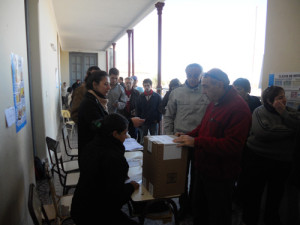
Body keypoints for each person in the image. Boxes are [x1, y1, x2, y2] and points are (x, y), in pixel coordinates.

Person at [174, 68, 252, 225]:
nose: (203, 91)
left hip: (221, 175)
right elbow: (203, 127)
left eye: (206, 86)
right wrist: (188, 135)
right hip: (203, 168)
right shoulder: (214, 102)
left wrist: (196, 142)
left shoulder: (239, 109)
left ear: (220, 85)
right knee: (199, 210)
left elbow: (233, 145)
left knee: (218, 215)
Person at [239, 86, 300, 225]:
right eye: (279, 98)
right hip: (258, 159)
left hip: (282, 162)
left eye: (284, 96)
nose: (284, 99)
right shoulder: (259, 111)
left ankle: (271, 220)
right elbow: (264, 132)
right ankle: (250, 220)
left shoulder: (290, 112)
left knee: (275, 195)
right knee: (254, 194)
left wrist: (283, 113)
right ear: (268, 100)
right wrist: (292, 131)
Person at [71, 113, 139, 225]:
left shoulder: (91, 146)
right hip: (95, 214)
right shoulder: (113, 158)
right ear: (115, 134)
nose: (126, 136)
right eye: (125, 133)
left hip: (80, 205)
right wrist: (131, 187)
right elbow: (116, 199)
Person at [163, 63, 210, 218]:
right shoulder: (176, 92)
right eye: (189, 75)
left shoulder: (207, 93)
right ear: (185, 74)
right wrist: (168, 137)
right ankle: (183, 207)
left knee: (197, 178)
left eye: (196, 75)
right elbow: (169, 116)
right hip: (179, 140)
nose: (192, 78)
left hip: (199, 141)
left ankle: (195, 208)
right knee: (181, 177)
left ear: (201, 75)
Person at [77, 70, 110, 168]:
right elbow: (98, 125)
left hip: (95, 152)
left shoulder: (96, 100)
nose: (109, 87)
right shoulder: (89, 103)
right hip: (91, 156)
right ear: (95, 85)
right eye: (105, 84)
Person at [136, 78, 162, 144]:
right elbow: (137, 109)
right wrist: (138, 119)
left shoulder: (157, 96)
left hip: (154, 121)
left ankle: (154, 152)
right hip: (143, 120)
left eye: (148, 85)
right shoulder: (140, 96)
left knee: (154, 139)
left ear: (151, 86)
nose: (146, 87)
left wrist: (158, 119)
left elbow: (160, 109)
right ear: (143, 86)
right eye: (145, 86)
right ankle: (142, 151)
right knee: (142, 139)